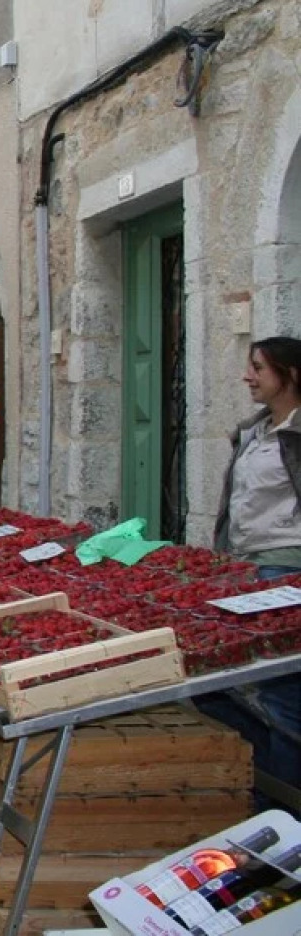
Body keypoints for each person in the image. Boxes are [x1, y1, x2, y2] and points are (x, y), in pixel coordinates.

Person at [203, 336, 301, 798]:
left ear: (291, 375)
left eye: (258, 368)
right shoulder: (254, 430)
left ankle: (280, 807)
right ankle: (265, 782)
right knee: (220, 688)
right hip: (248, 571)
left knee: (283, 697)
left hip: (288, 572)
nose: (248, 376)